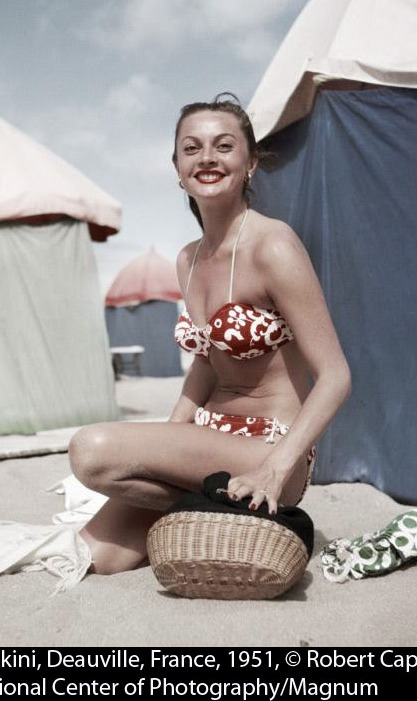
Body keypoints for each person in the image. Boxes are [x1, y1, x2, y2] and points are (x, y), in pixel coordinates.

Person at [69, 94, 351, 575]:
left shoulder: (273, 246)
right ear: (178, 169)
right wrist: (169, 436)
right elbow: (207, 360)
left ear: (251, 163)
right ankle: (219, 506)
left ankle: (247, 502)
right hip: (205, 442)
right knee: (98, 559)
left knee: (90, 452)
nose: (207, 158)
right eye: (191, 148)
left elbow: (336, 376)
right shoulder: (188, 258)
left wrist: (275, 468)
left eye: (224, 146)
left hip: (270, 448)